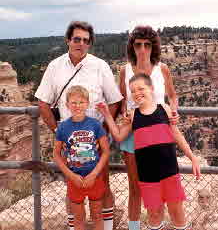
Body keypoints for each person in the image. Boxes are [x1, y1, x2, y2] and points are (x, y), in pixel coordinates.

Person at [35, 21, 123, 230]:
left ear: (89, 44)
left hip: (97, 141)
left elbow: (115, 101)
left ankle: (107, 228)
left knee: (102, 188)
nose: (81, 44)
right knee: (72, 189)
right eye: (77, 39)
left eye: (85, 40)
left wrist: (104, 133)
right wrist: (58, 132)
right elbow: (42, 102)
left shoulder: (100, 66)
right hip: (69, 141)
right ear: (68, 40)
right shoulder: (55, 67)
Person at [97, 73, 200, 230]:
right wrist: (106, 115)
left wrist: (192, 157)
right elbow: (118, 136)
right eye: (133, 91)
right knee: (154, 213)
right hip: (147, 175)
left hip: (169, 171)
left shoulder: (164, 109)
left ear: (151, 88)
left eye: (141, 88)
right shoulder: (133, 116)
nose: (137, 93)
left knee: (177, 212)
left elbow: (176, 134)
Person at [118, 25, 178, 230]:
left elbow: (173, 95)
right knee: (135, 189)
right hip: (134, 135)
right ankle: (134, 228)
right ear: (132, 47)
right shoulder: (124, 71)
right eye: (138, 45)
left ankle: (160, 224)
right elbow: (122, 100)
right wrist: (124, 111)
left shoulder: (162, 70)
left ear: (153, 47)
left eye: (147, 44)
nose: (142, 49)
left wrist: (174, 111)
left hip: (159, 134)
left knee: (163, 185)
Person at [54, 85, 110, 230]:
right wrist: (70, 175)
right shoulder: (63, 127)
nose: (77, 106)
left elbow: (105, 151)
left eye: (81, 102)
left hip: (94, 178)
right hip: (75, 179)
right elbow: (56, 154)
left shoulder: (95, 125)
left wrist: (94, 174)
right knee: (78, 218)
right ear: (67, 105)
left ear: (87, 103)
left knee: (97, 215)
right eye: (73, 102)